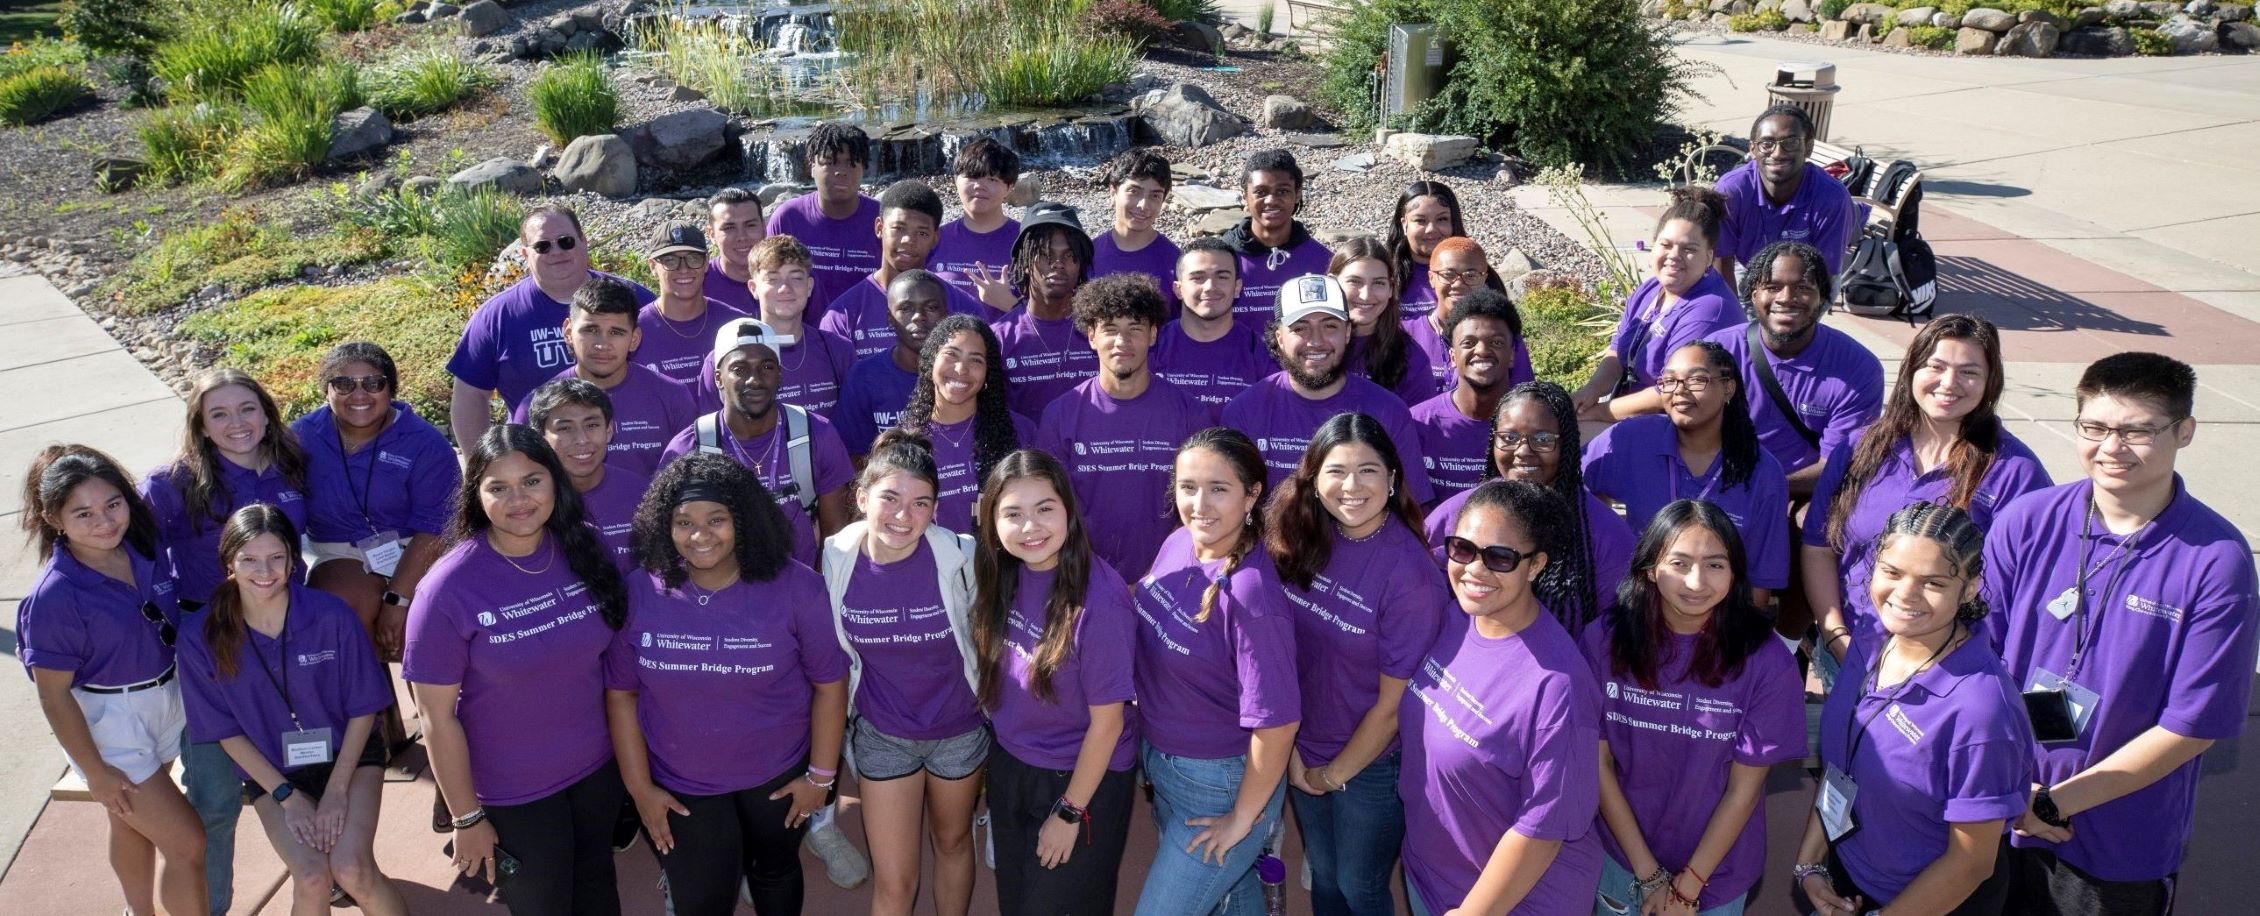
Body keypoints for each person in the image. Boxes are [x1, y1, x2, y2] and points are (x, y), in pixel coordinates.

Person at [1983, 353, 2256, 916]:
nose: (2111, 448)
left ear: (2185, 432)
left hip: (2119, 841)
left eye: (2137, 431)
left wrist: (2055, 804)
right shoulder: (2026, 521)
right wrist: (2011, 788)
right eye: (2095, 427)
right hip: (1996, 810)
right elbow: (1976, 662)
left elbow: (2191, 727)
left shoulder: (2216, 560)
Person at [402, 426, 631, 915]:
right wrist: (466, 818)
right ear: (475, 495)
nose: (519, 500)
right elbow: (435, 718)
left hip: (597, 771)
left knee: (597, 889)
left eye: (531, 481)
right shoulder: (446, 589)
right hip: (514, 790)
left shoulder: (583, 548)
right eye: (498, 487)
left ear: (555, 483)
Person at [608, 454, 849, 916]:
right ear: (664, 525)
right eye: (683, 522)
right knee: (702, 900)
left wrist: (820, 777)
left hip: (777, 775)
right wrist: (640, 789)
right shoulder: (639, 591)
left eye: (716, 519)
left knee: (774, 872)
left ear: (742, 518)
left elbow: (829, 685)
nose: (700, 535)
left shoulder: (798, 587)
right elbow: (621, 694)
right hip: (682, 783)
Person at [1796, 503, 2029, 915]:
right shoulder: (1869, 638)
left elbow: (1970, 863)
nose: (1904, 595)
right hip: (1847, 878)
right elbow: (1842, 765)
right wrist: (1811, 864)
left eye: (1934, 582)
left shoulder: (1982, 712)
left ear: (1970, 588)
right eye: (1892, 572)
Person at [178, 506, 406, 916]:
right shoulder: (201, 635)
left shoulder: (331, 615)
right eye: (248, 558)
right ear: (228, 561)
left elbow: (363, 711)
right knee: (313, 877)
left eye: (276, 557)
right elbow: (224, 730)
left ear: (293, 560)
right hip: (272, 772)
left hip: (348, 757)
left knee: (352, 869)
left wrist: (336, 791)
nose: (264, 571)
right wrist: (287, 796)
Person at [138, 368, 308, 915]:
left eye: (247, 409)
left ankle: (322, 873)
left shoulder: (292, 465)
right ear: (201, 425)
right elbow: (140, 561)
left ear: (266, 412)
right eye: (219, 414)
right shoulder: (171, 485)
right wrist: (178, 631)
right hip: (211, 650)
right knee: (214, 798)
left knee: (305, 769)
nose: (237, 423)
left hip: (285, 641)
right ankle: (211, 907)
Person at [1265, 414, 1447, 916]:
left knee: (1358, 885)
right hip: (1305, 744)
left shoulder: (1411, 576)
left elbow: (1392, 708)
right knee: (1323, 873)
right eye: (1336, 471)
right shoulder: (1303, 538)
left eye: (1368, 470)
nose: (1351, 486)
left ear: (1392, 478)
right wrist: (1295, 751)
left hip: (1371, 763)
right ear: (1314, 479)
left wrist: (1327, 776)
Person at [1585, 500, 1803, 916]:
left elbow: (1744, 789)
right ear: (1650, 567)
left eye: (1715, 565)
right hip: (1621, 858)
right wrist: (1648, 874)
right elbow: (1598, 765)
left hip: (1716, 874)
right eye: (1679, 563)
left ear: (1736, 572)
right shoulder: (1604, 639)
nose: (1696, 581)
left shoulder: (1765, 657)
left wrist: (1687, 887)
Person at [18, 445, 208, 916]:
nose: (104, 522)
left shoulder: (141, 547)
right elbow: (53, 695)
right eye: (83, 514)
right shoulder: (55, 596)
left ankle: (137, 913)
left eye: (113, 505)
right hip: (112, 725)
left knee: (129, 823)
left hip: (166, 697)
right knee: (187, 845)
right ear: (53, 518)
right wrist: (97, 773)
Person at [1400, 479, 1602, 916]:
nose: (1474, 569)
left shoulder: (1557, 685)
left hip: (1509, 902)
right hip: (1431, 876)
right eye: (1463, 549)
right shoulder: (1455, 620)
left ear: (1536, 565)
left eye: (1500, 557)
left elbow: (1542, 830)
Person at [1804, 315, 2048, 661]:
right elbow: (1819, 545)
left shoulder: (2013, 470)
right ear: (1912, 371)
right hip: (1851, 652)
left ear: (1990, 382)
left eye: (1969, 372)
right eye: (1937, 366)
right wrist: (1835, 636)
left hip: (1947, 667)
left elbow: (2024, 584)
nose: (1950, 383)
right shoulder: (1861, 447)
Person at [1132, 428, 1299, 916]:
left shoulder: (1251, 595)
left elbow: (1278, 723)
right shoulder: (1180, 542)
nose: (1198, 504)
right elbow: (1143, 600)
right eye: (1187, 487)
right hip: (1164, 763)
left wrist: (1243, 820)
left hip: (1220, 787)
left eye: (1218, 489)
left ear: (1252, 495)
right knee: (1231, 897)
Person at [818, 435, 987, 916]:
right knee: (894, 882)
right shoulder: (835, 557)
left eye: (920, 503)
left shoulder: (961, 556)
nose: (902, 515)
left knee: (951, 843)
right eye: (889, 498)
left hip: (959, 729)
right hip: (882, 732)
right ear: (862, 497)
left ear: (935, 509)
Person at [971, 450, 1140, 916]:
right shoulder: (1003, 574)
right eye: (1013, 514)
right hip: (1012, 764)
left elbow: (1108, 727)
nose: (1030, 528)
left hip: (1079, 778)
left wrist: (1069, 812)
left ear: (1068, 509)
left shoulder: (1100, 602)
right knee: (1018, 901)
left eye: (1045, 508)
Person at [1035, 273, 1213, 578]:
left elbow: (1201, 504)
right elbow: (1051, 504)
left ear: (1153, 334)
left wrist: (1156, 573)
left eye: (1135, 328)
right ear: (1091, 336)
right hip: (1084, 578)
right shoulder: (1059, 415)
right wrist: (1096, 577)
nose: (1122, 342)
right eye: (1110, 329)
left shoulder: (1189, 413)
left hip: (1171, 578)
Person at [1584, 342, 1790, 603]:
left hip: (1714, 620)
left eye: (1696, 380)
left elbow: (1759, 584)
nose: (1679, 391)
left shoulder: (1762, 472)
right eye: (1668, 381)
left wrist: (1740, 641)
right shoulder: (1630, 439)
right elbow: (1575, 491)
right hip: (1634, 610)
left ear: (1728, 388)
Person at [293, 342, 458, 664]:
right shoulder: (301, 438)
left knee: (416, 625)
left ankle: (429, 709)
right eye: (343, 384)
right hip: (340, 550)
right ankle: (373, 710)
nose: (359, 394)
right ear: (325, 390)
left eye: (373, 383)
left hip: (419, 546)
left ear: (390, 389)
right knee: (341, 609)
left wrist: (398, 601)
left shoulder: (424, 443)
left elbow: (436, 527)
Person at [1425, 381, 1636, 626]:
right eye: (1509, 437)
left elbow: (1618, 631)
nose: (1523, 450)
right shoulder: (1458, 513)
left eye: (1543, 439)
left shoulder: (1604, 533)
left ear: (1566, 444)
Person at [449, 205, 655, 446]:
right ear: (526, 255)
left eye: (565, 241)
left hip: (631, 450)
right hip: (538, 466)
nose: (556, 252)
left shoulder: (635, 300)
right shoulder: (497, 316)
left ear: (583, 241)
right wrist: (479, 468)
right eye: (542, 246)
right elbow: (470, 395)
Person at [1219, 274, 1433, 506]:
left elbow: (1411, 507)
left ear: (1348, 333)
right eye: (1301, 328)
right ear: (1280, 338)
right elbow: (1231, 508)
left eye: (1329, 326)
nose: (1316, 341)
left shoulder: (1388, 411)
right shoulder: (1244, 411)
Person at [659, 318, 854, 570]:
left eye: (767, 367)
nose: (755, 379)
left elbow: (835, 534)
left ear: (780, 375)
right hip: (723, 595)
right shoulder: (690, 448)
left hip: (798, 589)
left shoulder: (815, 433)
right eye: (739, 369)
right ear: (718, 378)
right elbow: (669, 536)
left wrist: (815, 588)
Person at [1706, 241, 1882, 495]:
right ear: (1754, 295)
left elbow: (1837, 467)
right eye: (1773, 287)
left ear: (1822, 297)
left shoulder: (1858, 369)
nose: (1787, 298)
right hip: (1718, 485)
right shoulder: (1716, 352)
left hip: (1801, 491)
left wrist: (1761, 490)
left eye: (1802, 288)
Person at [1573, 187, 1740, 425]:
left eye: (1689, 249)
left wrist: (1600, 412)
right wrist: (1588, 393)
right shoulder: (1650, 289)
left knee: (1566, 448)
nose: (1674, 255)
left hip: (1679, 425)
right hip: (1630, 413)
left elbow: (1673, 391)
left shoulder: (1710, 310)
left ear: (1709, 258)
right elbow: (1617, 351)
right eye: (1666, 245)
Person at [509, 275, 698, 478]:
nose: (602, 344)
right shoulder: (535, 406)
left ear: (634, 339)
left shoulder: (673, 396)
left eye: (616, 332)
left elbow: (689, 480)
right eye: (590, 330)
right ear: (568, 332)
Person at [821, 180, 993, 363]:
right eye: (898, 229)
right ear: (879, 228)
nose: (908, 240)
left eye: (922, 233)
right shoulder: (842, 315)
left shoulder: (965, 309)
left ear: (935, 238)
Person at [894, 313, 1031, 535]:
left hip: (1002, 566)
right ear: (931, 360)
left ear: (988, 373)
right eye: (951, 355)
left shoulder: (1022, 431)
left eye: (975, 360)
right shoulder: (904, 441)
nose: (961, 369)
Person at [1715, 105, 1857, 279]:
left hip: (1805, 278)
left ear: (1808, 147)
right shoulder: (1732, 190)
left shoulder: (1832, 198)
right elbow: (1721, 261)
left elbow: (1823, 276)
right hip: (1747, 269)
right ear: (1752, 150)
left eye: (1790, 143)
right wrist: (1732, 307)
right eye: (1767, 144)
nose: (1777, 154)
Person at [1409, 289, 1523, 504]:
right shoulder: (1417, 423)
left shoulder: (1530, 423)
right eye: (1468, 343)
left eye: (1496, 343)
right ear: (1453, 356)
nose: (1482, 351)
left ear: (1512, 355)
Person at [989, 201, 1098, 419]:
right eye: (1046, 254)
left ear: (1080, 265)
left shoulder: (1101, 330)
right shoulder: (997, 338)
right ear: (1026, 262)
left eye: (1069, 255)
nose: (1058, 263)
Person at [526, 378, 650, 568]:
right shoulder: (525, 505)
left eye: (591, 425)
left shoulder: (643, 494)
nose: (582, 440)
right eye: (565, 428)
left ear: (609, 431)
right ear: (541, 437)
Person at [765, 122, 882, 318]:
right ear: (811, 166)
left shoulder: (882, 218)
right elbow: (768, 282)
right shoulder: (789, 218)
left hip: (868, 334)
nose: (841, 171)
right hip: (805, 335)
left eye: (851, 162)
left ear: (864, 168)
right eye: (830, 162)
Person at [835, 269, 952, 457]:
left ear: (946, 316)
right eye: (906, 308)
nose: (918, 317)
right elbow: (852, 457)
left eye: (931, 307)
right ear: (890, 319)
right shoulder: (863, 377)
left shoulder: (962, 374)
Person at [1397, 237, 1530, 396]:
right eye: (1448, 274)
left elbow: (1523, 397)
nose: (1458, 284)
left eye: (1471, 275)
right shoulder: (1404, 334)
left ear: (1483, 279)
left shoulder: (1504, 336)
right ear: (1431, 278)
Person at [1152, 237, 1273, 410]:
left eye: (1222, 276)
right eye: (1198, 278)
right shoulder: (1152, 347)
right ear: (1178, 289)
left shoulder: (1261, 353)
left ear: (1237, 287)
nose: (1210, 287)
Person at [1221, 149, 1332, 318]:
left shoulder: (1322, 262)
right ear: (1245, 196)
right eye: (1261, 192)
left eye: (1282, 191)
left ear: (1297, 195)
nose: (1271, 200)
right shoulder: (1220, 259)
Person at [638, 222, 751, 387]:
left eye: (693, 258)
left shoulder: (737, 325)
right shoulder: (635, 330)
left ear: (706, 262)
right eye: (670, 260)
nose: (684, 269)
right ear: (653, 266)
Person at [1330, 236, 1435, 405]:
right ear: (1332, 282)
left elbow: (1421, 426)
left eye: (1378, 283)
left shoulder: (1411, 357)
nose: (1366, 295)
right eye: (1355, 282)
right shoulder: (1312, 347)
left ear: (1391, 288)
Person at [1089, 147, 1181, 310]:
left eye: (1155, 196)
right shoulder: (1088, 255)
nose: (1143, 205)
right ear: (1113, 192)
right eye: (1134, 192)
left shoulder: (1176, 262)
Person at [930, 137, 1022, 300]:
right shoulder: (935, 239)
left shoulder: (1026, 242)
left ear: (1009, 187)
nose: (979, 186)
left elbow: (1047, 317)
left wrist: (1009, 303)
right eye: (972, 177)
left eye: (992, 179)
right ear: (955, 181)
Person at [1382, 179, 1471, 314]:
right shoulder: (1383, 274)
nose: (1431, 229)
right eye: (1420, 221)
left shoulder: (1476, 274)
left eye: (1442, 219)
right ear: (1404, 225)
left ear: (1454, 222)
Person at [702, 187, 768, 315]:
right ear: (711, 234)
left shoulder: (790, 280)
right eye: (729, 228)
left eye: (750, 225)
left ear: (764, 228)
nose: (741, 237)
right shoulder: (698, 284)